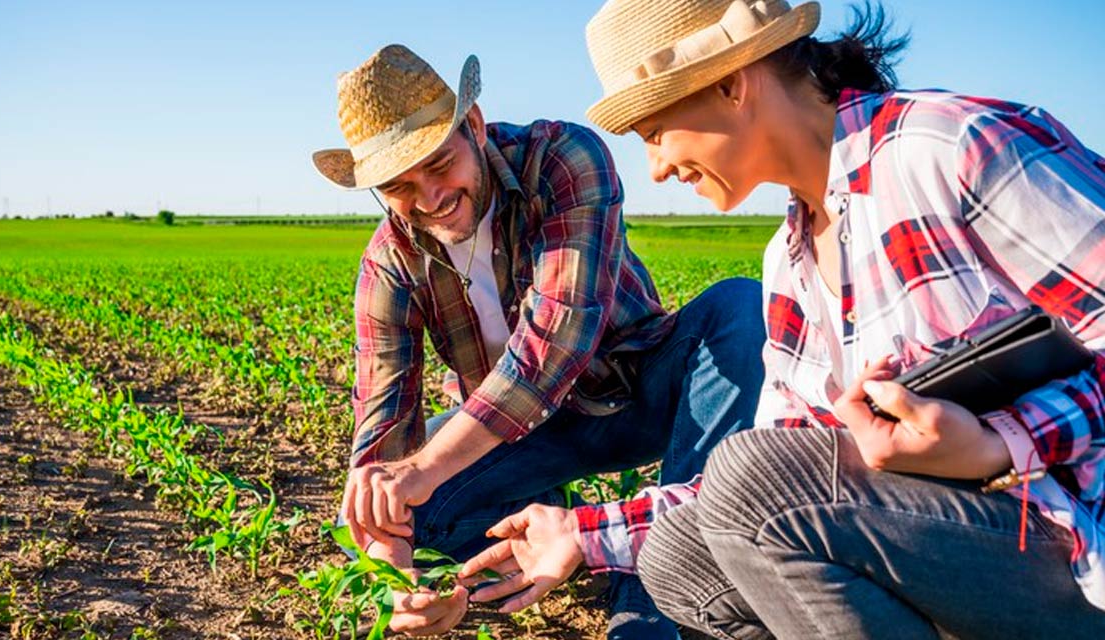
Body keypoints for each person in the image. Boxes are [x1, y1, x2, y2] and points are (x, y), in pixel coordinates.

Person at [460, 1, 1105, 637]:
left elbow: (764, 480)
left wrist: (999, 445)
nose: (655, 166)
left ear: (731, 81)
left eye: (655, 132)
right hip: (949, 547)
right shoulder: (788, 263)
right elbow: (780, 467)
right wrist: (580, 531)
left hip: (1072, 551)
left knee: (749, 481)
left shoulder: (951, 148)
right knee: (677, 556)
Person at [313, 44, 766, 637]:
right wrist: (397, 581)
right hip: (521, 439)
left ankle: (655, 595)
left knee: (737, 310)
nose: (429, 198)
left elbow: (554, 343)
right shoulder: (391, 264)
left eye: (439, 163)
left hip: (633, 393)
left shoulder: (562, 159)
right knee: (367, 516)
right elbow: (381, 426)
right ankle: (554, 536)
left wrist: (423, 468)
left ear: (472, 125)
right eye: (400, 185)